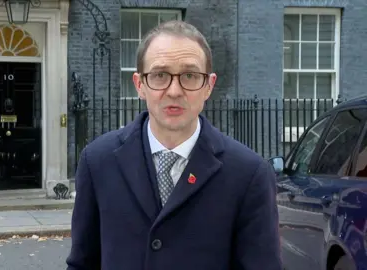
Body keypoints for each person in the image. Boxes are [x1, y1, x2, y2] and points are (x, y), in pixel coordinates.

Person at [66, 20, 281, 270]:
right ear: (139, 85)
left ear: (209, 86)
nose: (175, 91)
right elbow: (82, 263)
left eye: (190, 76)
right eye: (160, 75)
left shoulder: (249, 174)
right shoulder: (97, 162)